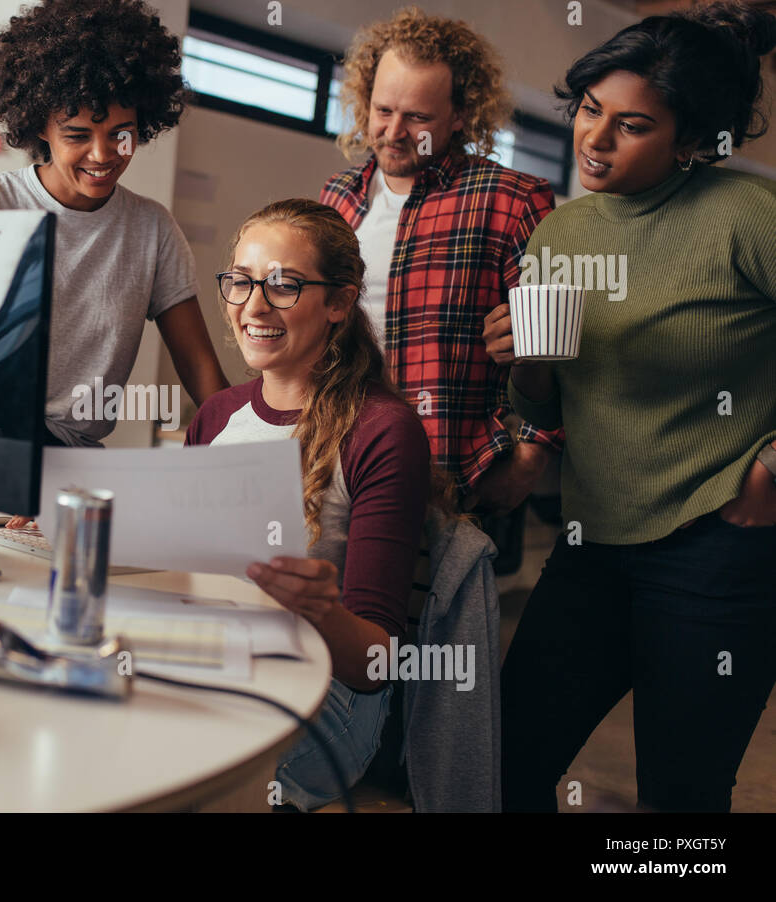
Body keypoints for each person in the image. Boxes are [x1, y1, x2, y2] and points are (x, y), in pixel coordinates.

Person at [485, 0, 776, 812]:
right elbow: (543, 400)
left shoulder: (746, 218)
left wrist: (770, 470)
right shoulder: (560, 234)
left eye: (632, 125)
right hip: (592, 542)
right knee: (501, 766)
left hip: (718, 551)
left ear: (691, 141)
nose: (595, 139)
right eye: (589, 110)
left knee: (680, 800)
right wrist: (528, 363)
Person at [0, 0, 227, 522]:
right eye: (77, 135)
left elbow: (200, 370)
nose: (102, 154)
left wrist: (249, 457)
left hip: (72, 472)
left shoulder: (153, 229)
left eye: (121, 133)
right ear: (39, 124)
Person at [186, 198, 435, 810]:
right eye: (241, 283)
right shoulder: (217, 414)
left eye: (284, 286)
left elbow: (374, 665)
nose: (253, 307)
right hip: (218, 659)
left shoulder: (382, 429)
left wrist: (320, 608)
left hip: (327, 694)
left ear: (340, 303)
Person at [320, 7, 562, 516]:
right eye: (383, 111)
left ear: (460, 117)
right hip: (341, 458)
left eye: (418, 118)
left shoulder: (513, 200)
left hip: (454, 470)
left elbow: (556, 342)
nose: (394, 131)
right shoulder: (337, 198)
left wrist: (532, 455)